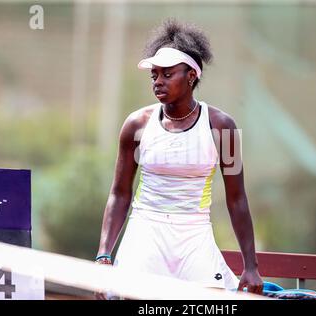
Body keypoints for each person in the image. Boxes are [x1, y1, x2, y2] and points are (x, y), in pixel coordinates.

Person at [95, 19, 263, 299]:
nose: (158, 81)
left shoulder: (223, 127)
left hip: (194, 235)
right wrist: (103, 256)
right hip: (145, 231)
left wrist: (251, 267)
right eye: (154, 75)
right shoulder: (136, 126)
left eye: (167, 74)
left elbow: (237, 199)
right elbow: (120, 194)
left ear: (191, 76)